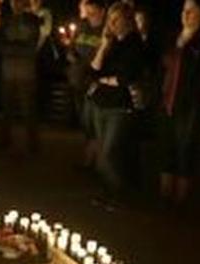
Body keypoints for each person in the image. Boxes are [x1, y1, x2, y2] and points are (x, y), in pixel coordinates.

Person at [158, 0, 200, 209]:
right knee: (167, 147)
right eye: (184, 10)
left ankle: (180, 200)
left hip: (191, 105)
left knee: (185, 150)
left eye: (191, 11)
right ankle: (164, 195)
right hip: (169, 100)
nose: (186, 15)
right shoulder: (175, 37)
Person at [87, 0, 144, 199]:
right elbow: (94, 69)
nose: (112, 24)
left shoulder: (134, 43)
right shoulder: (112, 44)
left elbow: (125, 77)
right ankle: (107, 190)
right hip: (101, 103)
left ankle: (118, 192)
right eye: (110, 20)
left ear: (127, 20)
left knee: (111, 152)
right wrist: (103, 45)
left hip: (119, 106)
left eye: (117, 19)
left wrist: (104, 79)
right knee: (104, 150)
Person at [0, 0, 41, 154]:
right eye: (13, 1)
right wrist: (18, 46)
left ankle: (32, 144)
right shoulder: (5, 20)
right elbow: (1, 45)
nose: (15, 4)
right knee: (6, 108)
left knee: (29, 109)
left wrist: (12, 46)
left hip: (26, 71)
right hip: (8, 71)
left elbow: (31, 46)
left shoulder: (33, 20)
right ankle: (4, 141)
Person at [66, 0, 105, 169]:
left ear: (102, 11)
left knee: (93, 122)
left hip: (93, 83)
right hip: (77, 81)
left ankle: (95, 160)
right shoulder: (82, 27)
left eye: (93, 13)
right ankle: (89, 156)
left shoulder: (105, 31)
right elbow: (72, 48)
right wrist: (70, 52)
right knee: (84, 121)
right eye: (87, 13)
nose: (89, 17)